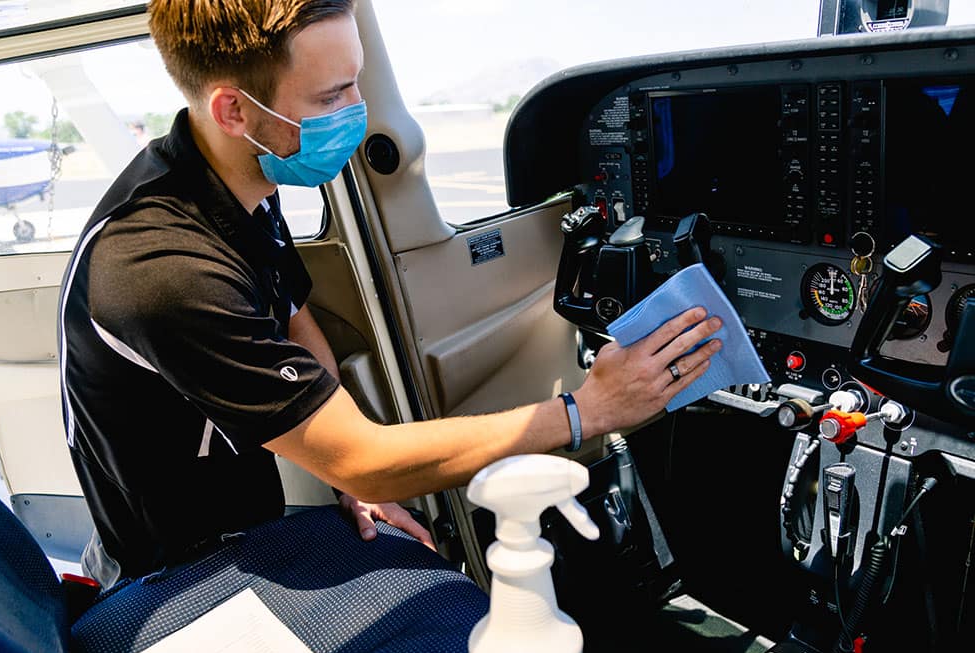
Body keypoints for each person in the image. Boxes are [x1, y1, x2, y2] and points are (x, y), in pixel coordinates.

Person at [59, 0, 720, 596]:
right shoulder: (161, 266)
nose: (357, 111)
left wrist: (349, 474)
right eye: (333, 94)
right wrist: (591, 408)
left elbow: (292, 316)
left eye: (357, 81)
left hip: (239, 529)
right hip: (168, 574)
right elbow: (362, 458)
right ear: (235, 111)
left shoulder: (236, 188)